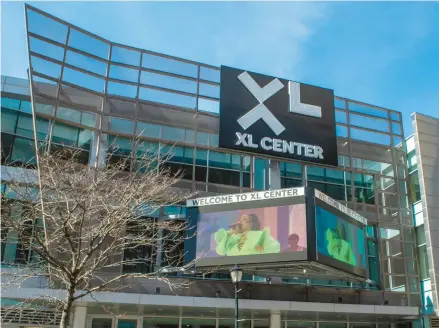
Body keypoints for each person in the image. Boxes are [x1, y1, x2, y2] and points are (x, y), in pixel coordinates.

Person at [215, 213, 280, 256]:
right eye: (239, 220)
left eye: (244, 219)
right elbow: (220, 251)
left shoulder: (260, 234)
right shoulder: (233, 237)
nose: (240, 222)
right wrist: (230, 232)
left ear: (251, 223)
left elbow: (274, 248)